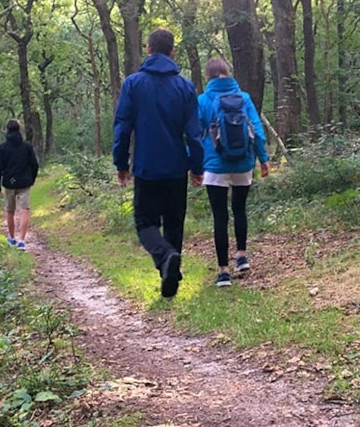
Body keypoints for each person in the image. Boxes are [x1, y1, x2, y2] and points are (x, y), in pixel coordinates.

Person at [113, 28, 204, 298]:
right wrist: (197, 167)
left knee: (145, 222)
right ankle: (170, 278)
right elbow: (194, 133)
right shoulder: (185, 86)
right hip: (176, 167)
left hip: (146, 167)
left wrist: (121, 163)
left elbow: (122, 127)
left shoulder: (133, 84)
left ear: (149, 49)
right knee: (174, 222)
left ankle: (165, 259)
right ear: (172, 51)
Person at [198, 57, 269, 287]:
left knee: (220, 216)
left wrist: (194, 166)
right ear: (228, 73)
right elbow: (256, 131)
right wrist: (264, 160)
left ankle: (223, 272)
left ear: (208, 76)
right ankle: (241, 256)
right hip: (243, 164)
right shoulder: (244, 98)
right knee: (239, 209)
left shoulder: (203, 100)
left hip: (215, 167)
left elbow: (195, 135)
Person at [0, 119, 39, 250]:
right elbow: (35, 165)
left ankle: (12, 238)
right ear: (19, 130)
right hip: (25, 182)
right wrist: (32, 178)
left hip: (9, 183)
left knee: (10, 210)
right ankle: (22, 240)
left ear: (7, 130)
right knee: (24, 209)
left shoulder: (2, 148)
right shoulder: (27, 146)